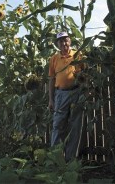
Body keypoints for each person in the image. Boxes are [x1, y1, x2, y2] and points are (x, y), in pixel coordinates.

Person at [48, 31, 84, 162]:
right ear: (57, 44)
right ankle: (56, 159)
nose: (64, 43)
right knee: (58, 125)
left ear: (70, 41)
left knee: (75, 126)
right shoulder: (54, 59)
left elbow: (84, 74)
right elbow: (52, 79)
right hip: (60, 95)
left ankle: (71, 159)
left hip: (76, 93)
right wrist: (51, 99)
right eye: (61, 41)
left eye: (66, 40)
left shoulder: (78, 55)